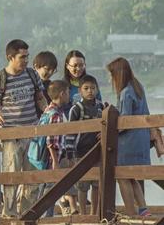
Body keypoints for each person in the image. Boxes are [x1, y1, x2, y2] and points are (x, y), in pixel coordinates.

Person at [0, 39, 46, 217]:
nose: (25, 60)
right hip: (11, 134)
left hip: (33, 133)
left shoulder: (32, 75)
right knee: (11, 176)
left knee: (33, 177)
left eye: (27, 56)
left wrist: (47, 114)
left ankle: (27, 213)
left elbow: (40, 98)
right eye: (22, 57)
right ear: (10, 57)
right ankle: (9, 213)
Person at [108, 56, 153, 216]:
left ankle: (130, 213)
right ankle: (143, 209)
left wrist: (109, 131)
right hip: (141, 137)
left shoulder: (126, 92)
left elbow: (125, 120)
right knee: (133, 177)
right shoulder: (138, 86)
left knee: (122, 176)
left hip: (129, 141)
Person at [68, 74, 105, 213]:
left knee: (96, 184)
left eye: (93, 88)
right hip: (80, 152)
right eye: (86, 88)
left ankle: (94, 213)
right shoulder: (76, 109)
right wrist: (70, 153)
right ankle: (83, 212)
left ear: (97, 90)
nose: (90, 91)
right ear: (80, 91)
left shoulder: (102, 107)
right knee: (82, 185)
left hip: (97, 151)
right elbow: (70, 132)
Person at [38, 80, 75, 215]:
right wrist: (55, 160)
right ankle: (47, 215)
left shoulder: (48, 110)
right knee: (50, 186)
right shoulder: (55, 114)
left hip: (44, 155)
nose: (69, 96)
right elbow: (51, 140)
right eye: (68, 93)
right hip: (52, 157)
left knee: (46, 185)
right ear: (62, 94)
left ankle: (43, 214)